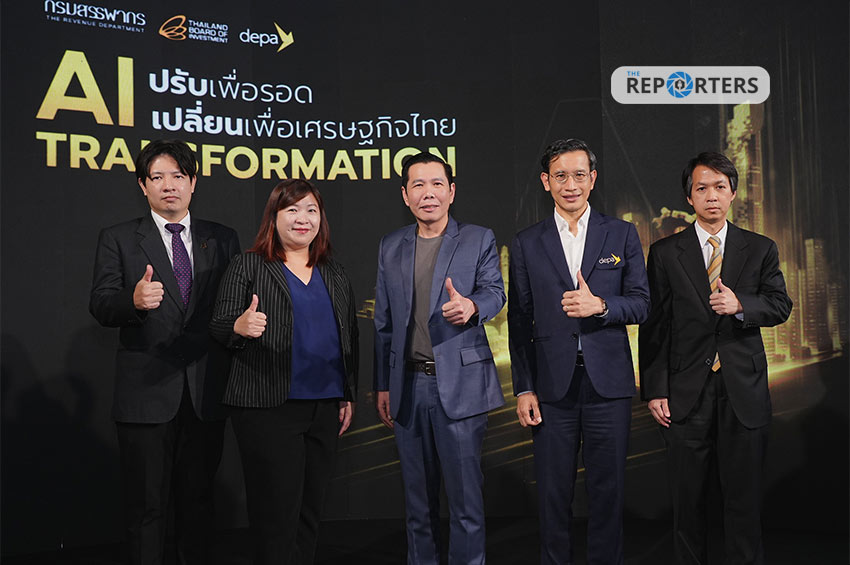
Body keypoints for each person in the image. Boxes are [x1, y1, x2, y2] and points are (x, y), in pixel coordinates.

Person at [89, 139, 240, 565]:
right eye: (157, 177)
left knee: (199, 504)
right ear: (143, 185)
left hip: (205, 392)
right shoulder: (119, 238)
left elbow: (231, 306)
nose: (168, 185)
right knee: (147, 508)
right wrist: (133, 301)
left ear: (193, 182)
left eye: (178, 176)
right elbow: (100, 303)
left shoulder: (222, 238)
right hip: (146, 397)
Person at [639, 152, 792, 564]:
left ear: (733, 193)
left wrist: (741, 304)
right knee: (687, 503)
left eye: (720, 187)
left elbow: (780, 305)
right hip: (686, 391)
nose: (712, 196)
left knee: (744, 502)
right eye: (702, 188)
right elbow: (656, 325)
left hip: (743, 388)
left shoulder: (759, 248)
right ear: (689, 197)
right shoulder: (665, 252)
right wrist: (655, 389)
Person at [508, 138, 649, 564]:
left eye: (579, 175)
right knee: (553, 494)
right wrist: (524, 388)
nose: (570, 185)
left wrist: (601, 306)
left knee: (608, 492)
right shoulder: (527, 242)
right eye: (561, 176)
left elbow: (642, 304)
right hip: (552, 387)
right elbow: (520, 320)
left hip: (609, 384)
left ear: (593, 179)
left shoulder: (621, 233)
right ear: (545, 181)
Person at [210, 179, 358, 565]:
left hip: (324, 406)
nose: (302, 218)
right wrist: (239, 326)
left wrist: (347, 392)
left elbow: (349, 336)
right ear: (273, 218)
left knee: (311, 510)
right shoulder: (249, 265)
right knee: (276, 513)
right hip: (267, 407)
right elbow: (220, 323)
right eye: (292, 210)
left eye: (311, 210)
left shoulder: (334, 272)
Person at [373, 152, 505, 564]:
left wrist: (472, 306)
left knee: (466, 503)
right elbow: (383, 323)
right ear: (405, 195)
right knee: (417, 504)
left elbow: (495, 292)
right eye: (418, 185)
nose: (427, 193)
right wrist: (382, 384)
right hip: (408, 386)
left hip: (460, 386)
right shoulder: (391, 245)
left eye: (436, 184)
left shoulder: (478, 238)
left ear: (451, 191)